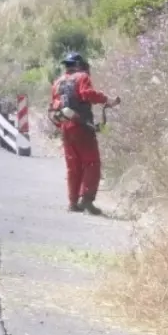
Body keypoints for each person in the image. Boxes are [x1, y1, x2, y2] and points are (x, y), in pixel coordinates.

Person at [48, 52, 120, 215]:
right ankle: (86, 200)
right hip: (81, 127)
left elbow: (53, 106)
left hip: (65, 128)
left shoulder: (57, 83)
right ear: (80, 64)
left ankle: (73, 202)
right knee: (91, 163)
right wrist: (107, 100)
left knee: (73, 166)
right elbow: (87, 94)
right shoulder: (82, 77)